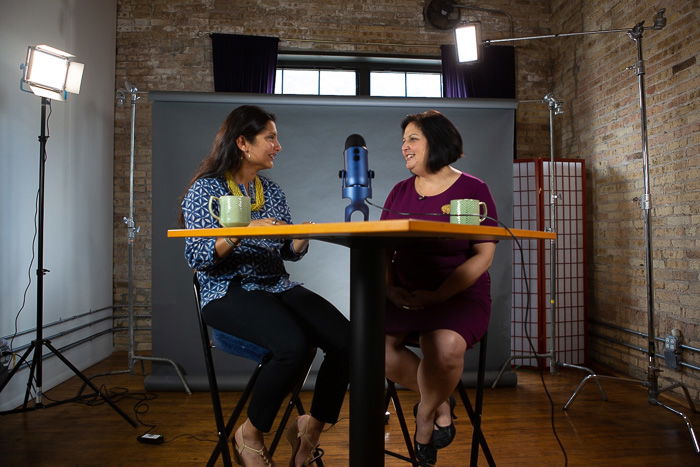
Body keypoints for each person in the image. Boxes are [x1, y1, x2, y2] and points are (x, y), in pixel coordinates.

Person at [181, 105, 350, 467]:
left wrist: (299, 240)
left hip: (276, 286)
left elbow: (286, 251)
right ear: (243, 142)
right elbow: (197, 256)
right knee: (293, 345)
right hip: (227, 289)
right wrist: (242, 233)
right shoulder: (205, 190)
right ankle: (251, 433)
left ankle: (310, 429)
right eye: (270, 137)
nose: (278, 145)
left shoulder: (270, 191)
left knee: (349, 342)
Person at [381, 110, 498, 465]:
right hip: (405, 292)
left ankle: (423, 418)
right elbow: (383, 249)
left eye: (412, 139)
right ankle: (440, 402)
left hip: (458, 294)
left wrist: (441, 294)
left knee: (442, 345)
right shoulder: (399, 192)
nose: (404, 147)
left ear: (438, 142)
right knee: (371, 346)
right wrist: (389, 290)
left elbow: (484, 253)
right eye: (403, 141)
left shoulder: (473, 189)